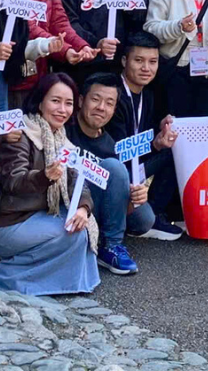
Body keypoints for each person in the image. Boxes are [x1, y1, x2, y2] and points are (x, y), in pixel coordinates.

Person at [0, 73, 99, 296]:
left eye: (68, 103)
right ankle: (6, 276)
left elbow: (78, 182)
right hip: (8, 222)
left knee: (81, 225)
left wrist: (83, 208)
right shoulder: (21, 133)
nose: (62, 109)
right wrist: (44, 176)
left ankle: (54, 281)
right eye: (55, 101)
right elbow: (13, 182)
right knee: (71, 234)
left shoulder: (62, 139)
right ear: (40, 102)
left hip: (37, 217)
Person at [68, 75, 151, 275]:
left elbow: (118, 194)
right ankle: (112, 245)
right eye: (95, 99)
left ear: (114, 110)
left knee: (145, 217)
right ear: (81, 101)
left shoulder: (111, 145)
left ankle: (105, 238)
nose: (101, 108)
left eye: (109, 103)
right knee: (114, 167)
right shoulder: (65, 128)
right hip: (71, 200)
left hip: (96, 204)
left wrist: (135, 195)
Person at [104, 36, 183, 240]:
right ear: (124, 61)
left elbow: (140, 136)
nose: (146, 68)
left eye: (152, 61)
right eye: (138, 60)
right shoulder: (111, 93)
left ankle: (155, 212)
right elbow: (119, 151)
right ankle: (143, 217)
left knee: (175, 145)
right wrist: (154, 145)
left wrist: (159, 134)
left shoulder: (148, 93)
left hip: (133, 164)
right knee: (142, 220)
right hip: (113, 170)